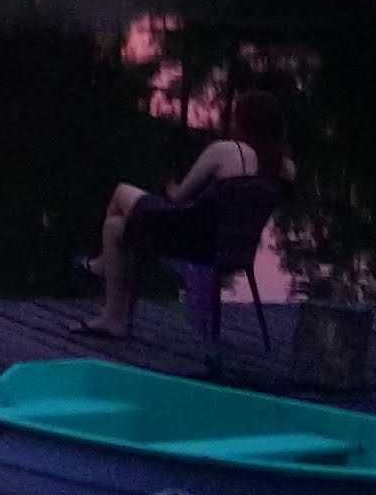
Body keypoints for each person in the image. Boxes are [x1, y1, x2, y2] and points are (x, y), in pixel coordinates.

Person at [95, 92, 292, 338]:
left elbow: (179, 197)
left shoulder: (227, 150)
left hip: (188, 240)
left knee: (121, 190)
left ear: (242, 122)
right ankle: (112, 316)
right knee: (114, 227)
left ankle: (104, 268)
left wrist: (169, 185)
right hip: (230, 248)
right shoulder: (284, 168)